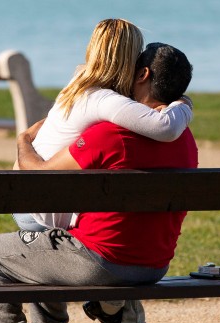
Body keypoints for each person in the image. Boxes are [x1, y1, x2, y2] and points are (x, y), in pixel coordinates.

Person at [0, 43, 198, 323]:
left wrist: (24, 140)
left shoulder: (108, 134)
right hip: (153, 265)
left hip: (100, 260)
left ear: (143, 75)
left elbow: (40, 176)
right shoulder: (185, 138)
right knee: (39, 250)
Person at [12, 18, 193, 233]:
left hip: (26, 194)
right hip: (41, 209)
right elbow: (166, 127)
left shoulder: (80, 81)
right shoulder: (103, 100)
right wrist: (184, 102)